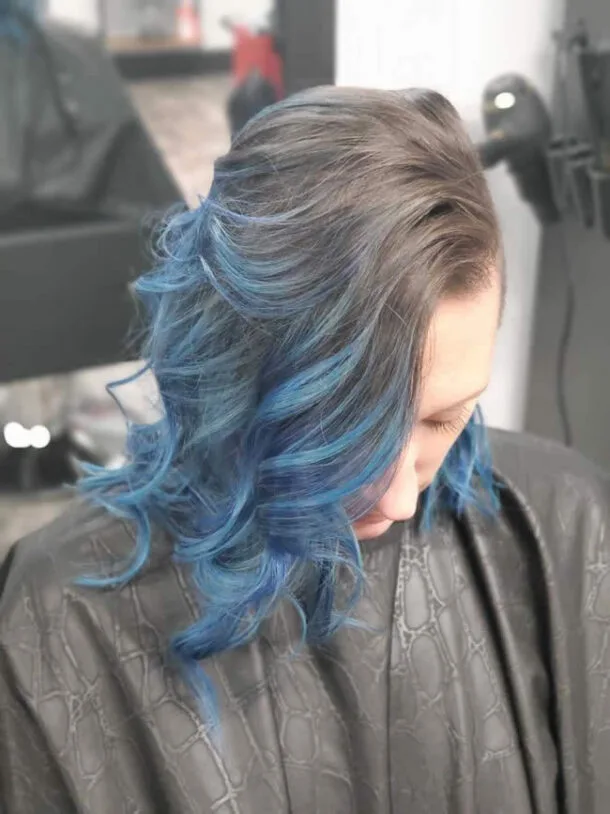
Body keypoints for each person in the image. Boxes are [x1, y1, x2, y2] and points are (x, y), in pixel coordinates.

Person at [0, 87, 608, 814]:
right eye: (344, 423)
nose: (398, 496)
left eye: (443, 419)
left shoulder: (564, 520)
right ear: (229, 368)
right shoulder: (57, 613)